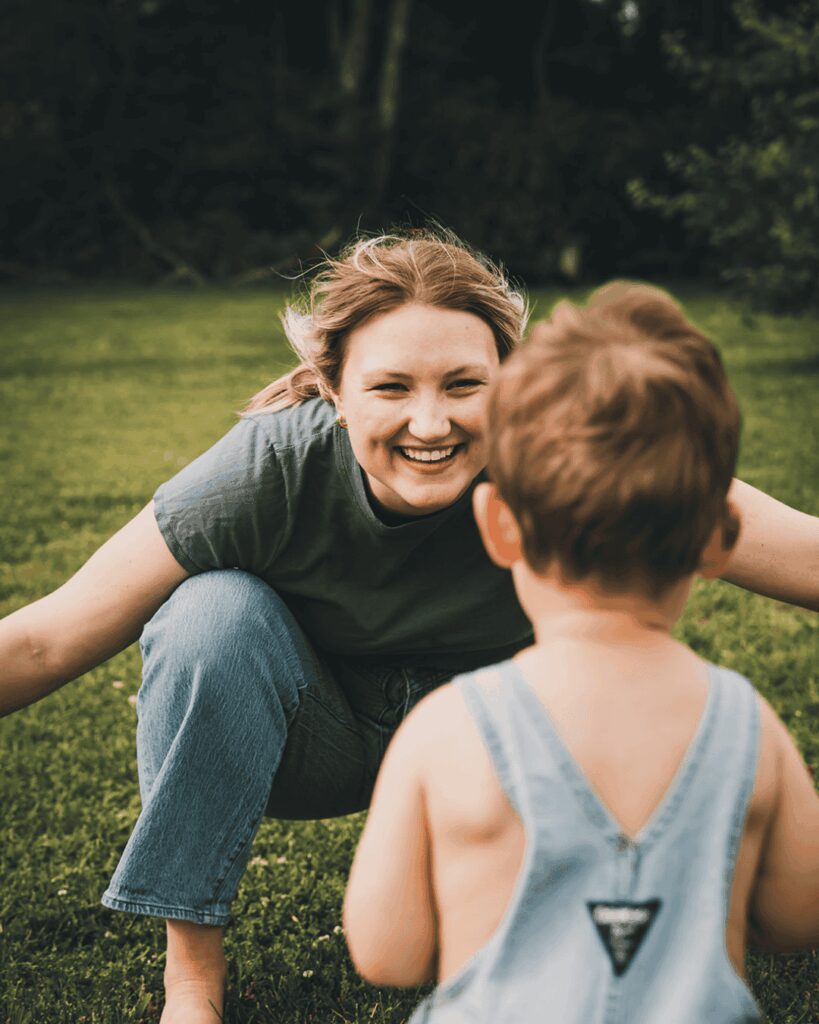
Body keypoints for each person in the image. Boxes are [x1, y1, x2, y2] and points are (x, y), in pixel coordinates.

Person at [0, 233, 817, 1023]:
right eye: (391, 388)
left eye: (464, 385)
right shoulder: (266, 471)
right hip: (312, 739)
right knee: (209, 612)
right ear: (334, 389)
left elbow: (780, 546)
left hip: (501, 747)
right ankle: (193, 977)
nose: (430, 424)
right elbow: (46, 639)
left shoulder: (567, 455)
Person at [342, 282, 819, 1023]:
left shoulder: (447, 728)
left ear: (498, 527)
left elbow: (387, 954)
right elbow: (796, 918)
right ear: (720, 539)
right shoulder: (748, 726)